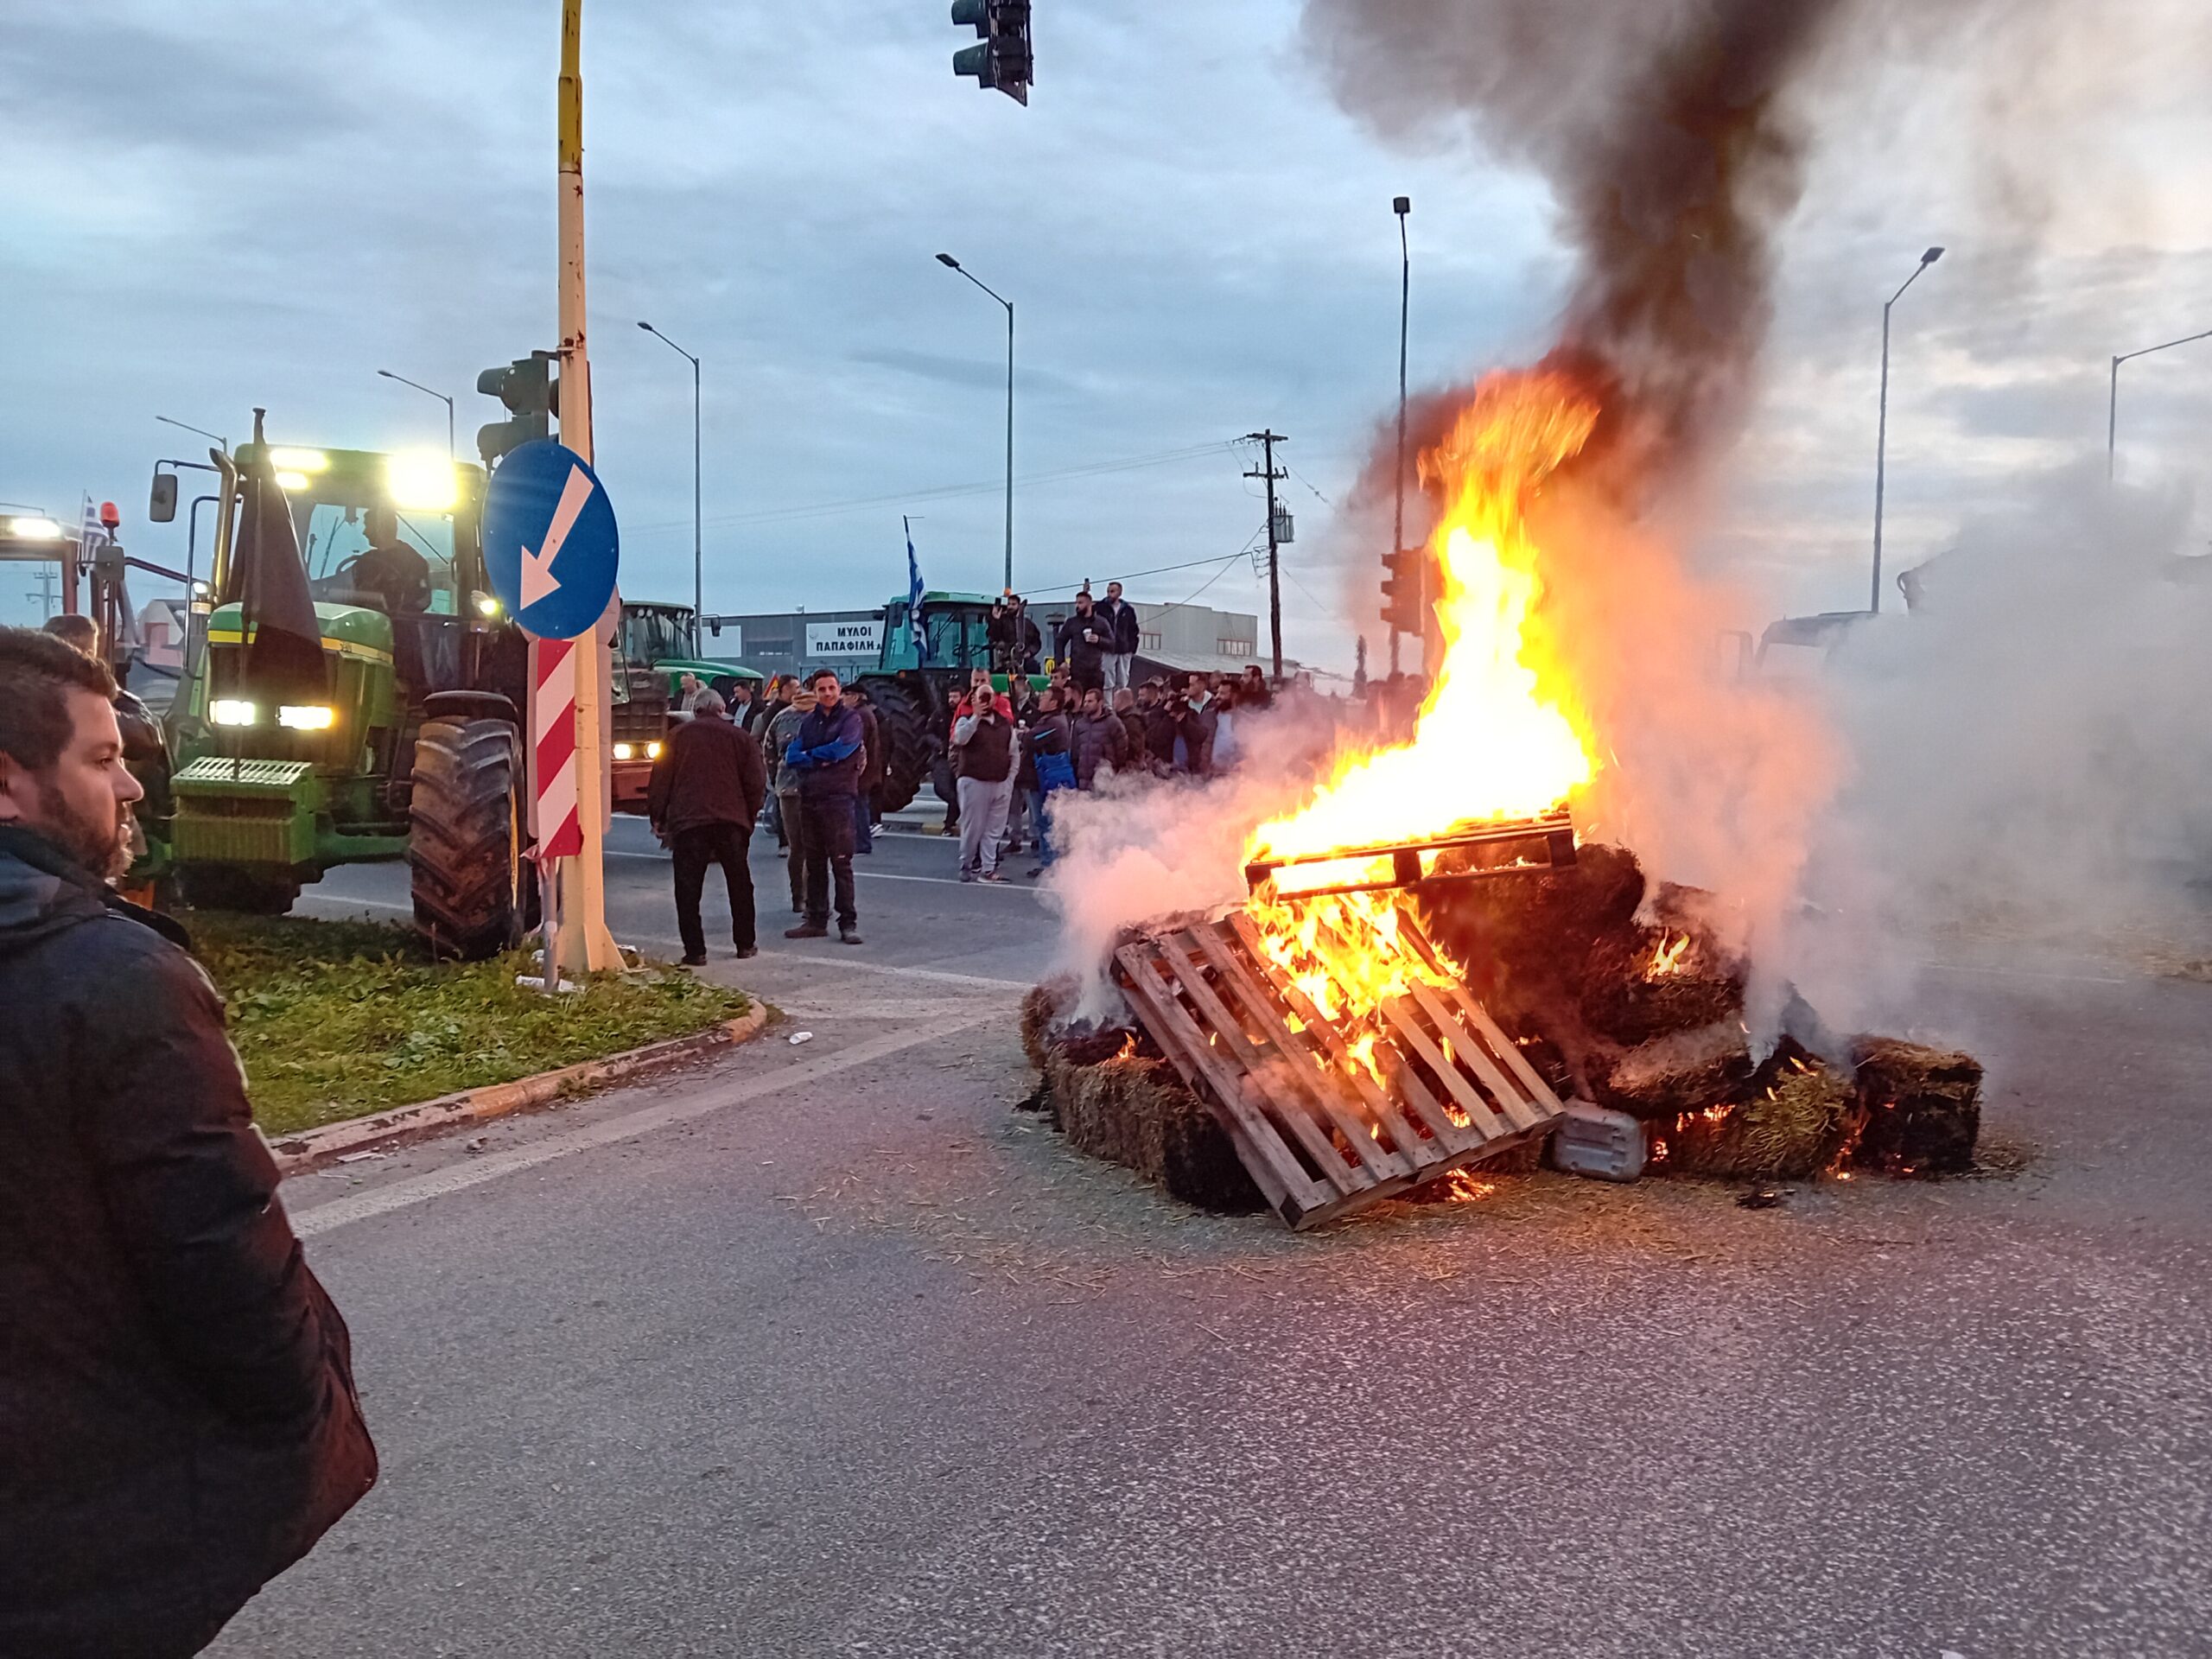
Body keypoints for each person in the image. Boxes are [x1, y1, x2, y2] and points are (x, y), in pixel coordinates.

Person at [0, 626, 377, 1656]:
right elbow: (219, 1250)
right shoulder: (110, 983)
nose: (132, 786)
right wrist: (310, 1413)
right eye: (104, 757)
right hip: (70, 1538)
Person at [647, 688, 766, 966]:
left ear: (695, 710)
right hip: (731, 822)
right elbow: (756, 782)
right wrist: (747, 815)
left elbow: (661, 779)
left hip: (690, 822)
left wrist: (658, 816)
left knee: (688, 888)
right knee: (740, 884)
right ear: (722, 709)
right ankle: (745, 943)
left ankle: (695, 951)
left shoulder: (676, 737)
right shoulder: (741, 738)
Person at [781, 667, 865, 944]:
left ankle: (848, 923)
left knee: (841, 863)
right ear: (815, 692)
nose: (827, 693)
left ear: (839, 690)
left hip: (839, 799)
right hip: (810, 798)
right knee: (814, 863)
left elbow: (843, 749)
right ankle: (816, 920)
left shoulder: (852, 719)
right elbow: (792, 756)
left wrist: (812, 755)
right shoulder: (808, 722)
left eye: (832, 688)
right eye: (822, 689)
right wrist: (820, 758)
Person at [950, 679, 1016, 882]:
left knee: (994, 830)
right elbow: (960, 738)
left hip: (999, 783)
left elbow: (1014, 754)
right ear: (974, 700)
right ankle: (966, 863)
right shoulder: (965, 720)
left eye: (989, 697)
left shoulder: (1005, 726)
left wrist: (1009, 781)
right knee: (973, 827)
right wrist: (976, 717)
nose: (986, 701)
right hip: (974, 781)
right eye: (981, 697)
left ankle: (988, 869)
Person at [763, 682, 815, 910]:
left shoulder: (782, 717)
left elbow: (768, 752)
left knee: (798, 847)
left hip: (789, 789)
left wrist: (777, 781)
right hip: (820, 788)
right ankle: (812, 898)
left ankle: (799, 898)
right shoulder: (828, 716)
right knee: (816, 847)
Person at [1020, 684, 1074, 877]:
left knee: (1046, 821)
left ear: (1053, 703)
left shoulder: (1055, 723)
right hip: (1044, 776)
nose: (1040, 699)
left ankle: (1051, 865)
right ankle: (1049, 863)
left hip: (1047, 777)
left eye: (1044, 697)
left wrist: (1024, 733)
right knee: (1045, 821)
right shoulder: (1051, 720)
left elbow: (1031, 740)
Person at [1070, 684, 1131, 790]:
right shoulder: (1079, 724)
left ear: (1100, 702)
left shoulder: (1113, 722)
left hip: (1105, 778)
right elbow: (1075, 750)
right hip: (1083, 779)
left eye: (1090, 701)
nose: (1086, 704)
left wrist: (1114, 767)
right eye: (1085, 701)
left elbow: (1122, 747)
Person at [846, 683, 881, 855]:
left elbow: (857, 744)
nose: (842, 699)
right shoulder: (865, 713)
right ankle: (861, 842)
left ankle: (862, 843)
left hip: (861, 771)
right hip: (867, 769)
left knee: (859, 807)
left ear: (855, 697)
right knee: (860, 806)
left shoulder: (860, 716)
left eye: (845, 695)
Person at [1052, 589, 1110, 694]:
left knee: (1094, 698)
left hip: (1095, 669)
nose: (1077, 606)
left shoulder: (1101, 622)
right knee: (1077, 697)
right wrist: (1061, 662)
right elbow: (1060, 641)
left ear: (1089, 604)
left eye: (1080, 603)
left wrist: (1099, 640)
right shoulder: (1072, 622)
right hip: (1077, 669)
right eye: (1076, 602)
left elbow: (1112, 643)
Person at [1096, 580, 1140, 693]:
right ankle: (1108, 705)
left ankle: (1121, 702)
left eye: (1113, 591)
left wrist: (1132, 649)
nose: (1110, 594)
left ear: (1119, 592)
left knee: (1123, 679)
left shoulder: (1128, 610)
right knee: (1107, 679)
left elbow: (1133, 630)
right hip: (1107, 648)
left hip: (1123, 649)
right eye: (1108, 591)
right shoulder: (1100, 608)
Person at [1181, 672, 1219, 776]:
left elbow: (1211, 735)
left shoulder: (1214, 706)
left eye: (1192, 685)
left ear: (1202, 685)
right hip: (1184, 758)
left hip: (1205, 759)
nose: (1189, 688)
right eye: (1189, 684)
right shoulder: (1182, 705)